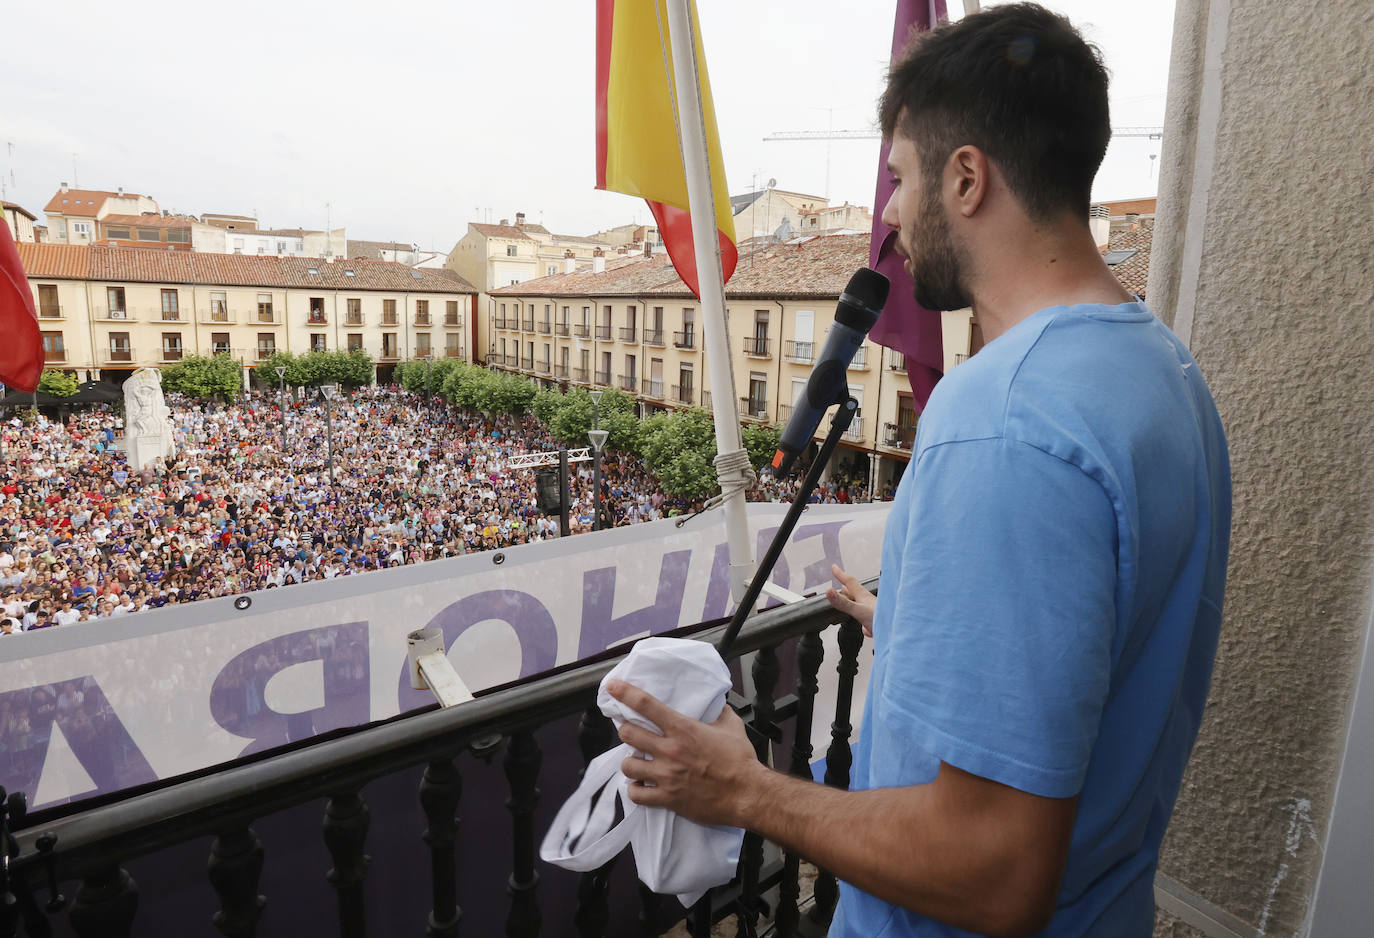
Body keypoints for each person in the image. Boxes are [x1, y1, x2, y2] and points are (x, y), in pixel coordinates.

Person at [605, 5, 1231, 937]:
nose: (890, 217)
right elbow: (1095, 637)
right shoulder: (1164, 373)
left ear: (966, 179)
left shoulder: (1003, 424)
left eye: (898, 179)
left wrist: (744, 790)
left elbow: (992, 871)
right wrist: (910, 618)